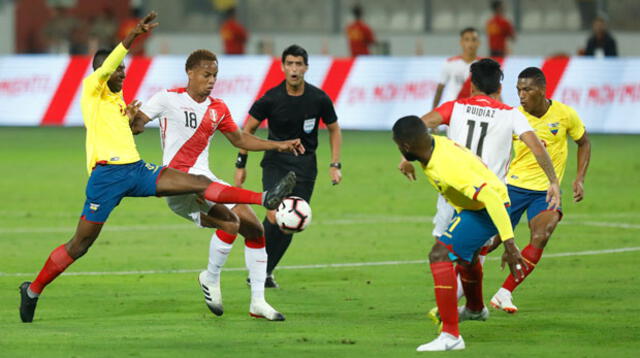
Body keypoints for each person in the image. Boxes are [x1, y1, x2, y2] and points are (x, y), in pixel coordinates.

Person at [18, 12, 298, 323]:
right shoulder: (92, 89)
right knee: (80, 244)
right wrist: (132, 37)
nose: (122, 73)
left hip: (137, 171)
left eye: (124, 69)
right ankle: (33, 290)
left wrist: (132, 120)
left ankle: (263, 199)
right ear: (102, 71)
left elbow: (133, 128)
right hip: (106, 177)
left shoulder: (117, 101)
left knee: (199, 183)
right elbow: (109, 65)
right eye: (118, 69)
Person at [133, 49, 304, 321]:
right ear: (190, 72)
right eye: (206, 74)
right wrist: (132, 121)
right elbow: (137, 123)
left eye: (215, 75)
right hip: (179, 184)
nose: (211, 80)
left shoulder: (218, 108)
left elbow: (240, 139)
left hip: (207, 181)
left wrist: (279, 145)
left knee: (255, 229)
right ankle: (212, 276)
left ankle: (258, 302)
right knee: (229, 222)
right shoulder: (167, 99)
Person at [399, 58, 560, 324]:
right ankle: (465, 309)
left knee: (446, 254)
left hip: (451, 192)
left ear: (471, 84)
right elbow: (537, 148)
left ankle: (455, 312)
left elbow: (419, 125)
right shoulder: (511, 114)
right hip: (485, 198)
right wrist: (553, 181)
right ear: (499, 85)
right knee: (469, 256)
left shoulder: (456, 107)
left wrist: (409, 154)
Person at [392, 116, 528, 352]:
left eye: (399, 147)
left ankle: (451, 336)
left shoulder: (446, 166)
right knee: (467, 257)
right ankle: (475, 309)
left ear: (406, 146)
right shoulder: (434, 145)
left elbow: (491, 198)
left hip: (487, 209)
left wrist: (510, 243)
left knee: (439, 255)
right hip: (472, 208)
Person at [234, 44, 342, 288]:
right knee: (274, 215)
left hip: (305, 167)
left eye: (299, 64)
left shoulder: (318, 98)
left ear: (306, 67)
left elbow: (334, 129)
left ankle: (266, 271)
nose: (294, 69)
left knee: (291, 223)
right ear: (282, 67)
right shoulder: (271, 98)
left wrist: (335, 164)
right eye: (290, 64)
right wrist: (241, 163)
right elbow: (247, 130)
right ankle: (257, 265)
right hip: (276, 163)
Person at [489, 67, 591, 313]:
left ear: (542, 90)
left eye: (527, 90)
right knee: (489, 243)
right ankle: (459, 286)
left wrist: (579, 178)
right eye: (518, 90)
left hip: (545, 192)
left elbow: (584, 142)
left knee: (542, 235)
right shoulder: (513, 117)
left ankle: (504, 293)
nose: (521, 95)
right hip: (512, 188)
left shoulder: (565, 115)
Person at [431, 27, 481, 112]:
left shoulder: (484, 64)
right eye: (467, 40)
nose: (470, 43)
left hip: (475, 111)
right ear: (461, 42)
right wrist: (433, 111)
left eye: (474, 40)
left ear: (478, 43)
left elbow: (494, 91)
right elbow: (440, 90)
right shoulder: (450, 63)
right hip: (454, 109)